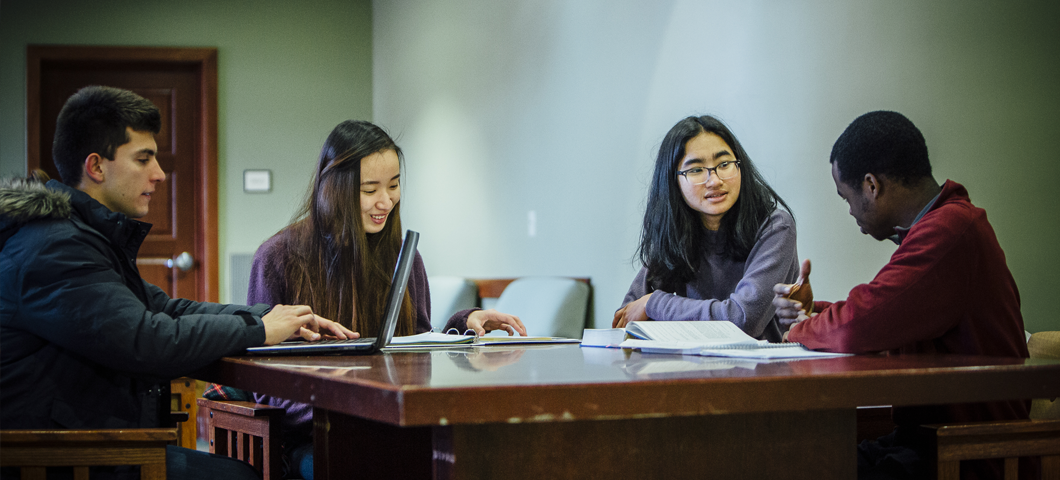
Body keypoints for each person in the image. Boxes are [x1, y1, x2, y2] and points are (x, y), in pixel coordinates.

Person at [0, 86, 352, 480]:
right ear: (96, 167)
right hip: (64, 460)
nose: (159, 174)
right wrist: (259, 329)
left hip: (96, 446)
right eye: (144, 159)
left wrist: (272, 317)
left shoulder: (83, 238)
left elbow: (167, 309)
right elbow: (145, 340)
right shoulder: (54, 248)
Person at [233, 119, 527, 480]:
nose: (386, 201)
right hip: (313, 439)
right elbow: (267, 392)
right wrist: (351, 405)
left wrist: (462, 324)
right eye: (370, 189)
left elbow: (414, 349)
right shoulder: (277, 258)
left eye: (394, 185)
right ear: (333, 189)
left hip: (391, 429)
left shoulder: (404, 257)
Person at [772, 111, 1032, 480]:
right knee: (801, 460)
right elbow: (887, 313)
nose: (849, 211)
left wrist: (801, 327)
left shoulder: (950, 231)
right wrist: (815, 311)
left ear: (871, 185)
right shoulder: (944, 225)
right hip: (931, 441)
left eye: (846, 197)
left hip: (969, 455)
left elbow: (859, 325)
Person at [613, 115, 798, 343]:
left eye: (724, 164)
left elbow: (743, 320)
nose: (714, 180)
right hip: (686, 373)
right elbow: (627, 319)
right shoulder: (675, 234)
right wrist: (649, 307)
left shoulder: (776, 227)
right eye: (696, 170)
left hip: (757, 374)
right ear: (673, 182)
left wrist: (656, 304)